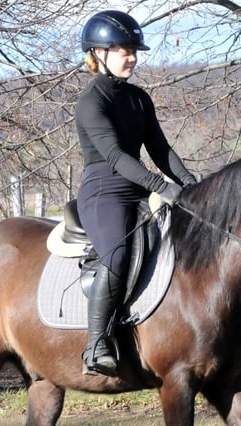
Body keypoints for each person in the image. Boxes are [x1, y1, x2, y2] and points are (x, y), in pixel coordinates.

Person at [75, 10, 197, 377]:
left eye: (134, 50)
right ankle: (96, 344)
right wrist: (161, 186)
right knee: (117, 256)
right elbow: (113, 156)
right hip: (103, 192)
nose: (133, 57)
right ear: (98, 52)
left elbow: (161, 150)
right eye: (124, 50)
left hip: (137, 187)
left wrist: (191, 186)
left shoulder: (140, 99)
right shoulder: (92, 101)